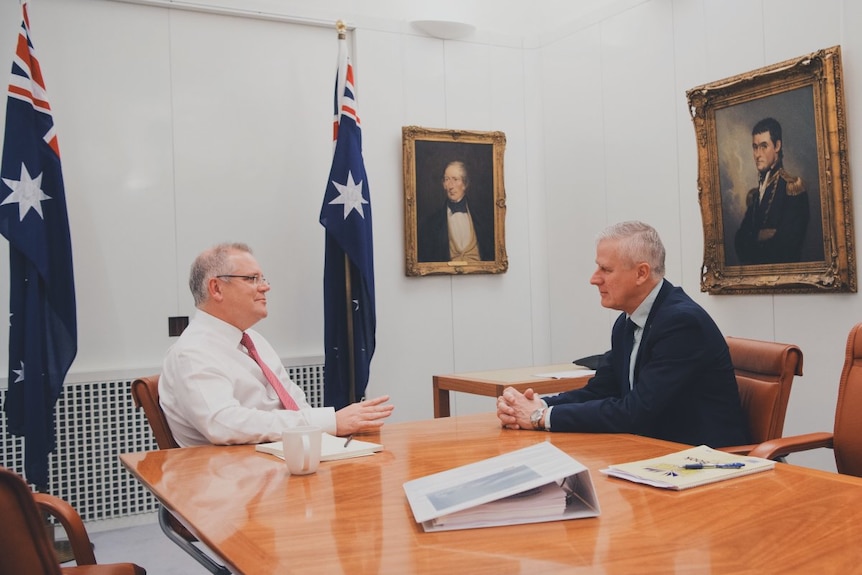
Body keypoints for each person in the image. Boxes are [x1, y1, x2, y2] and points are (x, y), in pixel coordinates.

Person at [497, 221, 750, 448]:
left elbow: (635, 412)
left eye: (605, 270)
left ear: (641, 273)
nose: (594, 279)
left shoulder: (682, 323)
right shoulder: (627, 321)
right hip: (652, 451)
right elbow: (602, 390)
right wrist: (538, 405)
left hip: (704, 462)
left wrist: (540, 419)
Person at [160, 242, 394, 447]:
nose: (265, 287)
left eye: (262, 278)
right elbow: (223, 423)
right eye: (252, 279)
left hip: (281, 461)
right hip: (233, 481)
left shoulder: (254, 340)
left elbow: (296, 404)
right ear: (216, 288)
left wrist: (330, 435)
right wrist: (329, 422)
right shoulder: (192, 352)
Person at [734, 117, 810, 264]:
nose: (757, 154)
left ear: (777, 146)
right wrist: (758, 236)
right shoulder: (755, 195)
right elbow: (739, 241)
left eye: (763, 146)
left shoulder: (792, 188)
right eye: (755, 147)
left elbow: (788, 247)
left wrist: (751, 240)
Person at [417, 160, 494, 262]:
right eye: (447, 179)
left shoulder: (482, 218)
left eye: (455, 179)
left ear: (465, 184)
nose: (450, 186)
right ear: (443, 184)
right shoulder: (431, 223)